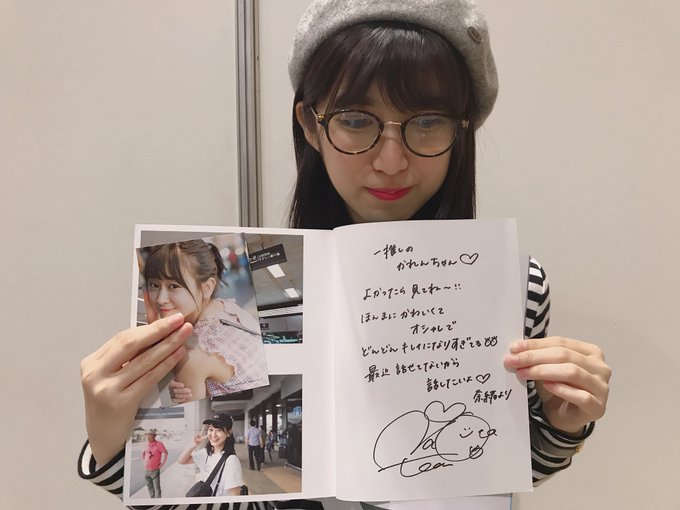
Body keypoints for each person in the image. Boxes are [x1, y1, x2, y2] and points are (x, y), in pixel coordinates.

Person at [78, 1, 612, 508]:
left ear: (461, 128)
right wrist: (109, 440)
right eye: (356, 120)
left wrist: (563, 423)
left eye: (428, 121)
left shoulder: (512, 286)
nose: (391, 160)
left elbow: (499, 470)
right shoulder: (256, 298)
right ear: (311, 125)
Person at [140, 239, 268, 402]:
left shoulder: (193, 355)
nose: (160, 299)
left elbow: (191, 412)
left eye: (173, 286)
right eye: (154, 285)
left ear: (206, 288)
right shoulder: (225, 307)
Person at [177, 413, 244, 497]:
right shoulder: (206, 453)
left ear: (228, 433)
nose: (213, 434)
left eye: (219, 430)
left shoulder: (231, 461)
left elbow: (234, 497)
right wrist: (194, 445)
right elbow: (181, 461)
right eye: (211, 429)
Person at [141, 429, 167, 498]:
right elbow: (143, 453)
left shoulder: (159, 444)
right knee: (149, 487)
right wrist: (144, 462)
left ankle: (158, 502)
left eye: (150, 435)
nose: (148, 437)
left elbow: (165, 453)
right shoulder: (146, 444)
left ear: (154, 436)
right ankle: (152, 500)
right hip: (146, 470)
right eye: (147, 435)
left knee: (157, 488)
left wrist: (162, 464)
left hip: (155, 470)